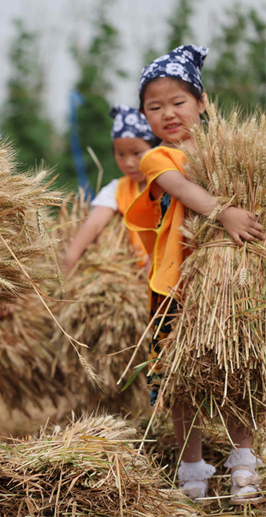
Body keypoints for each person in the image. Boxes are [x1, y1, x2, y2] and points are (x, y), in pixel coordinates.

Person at [125, 45, 265, 505]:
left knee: (242, 369)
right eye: (154, 106)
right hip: (175, 286)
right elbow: (182, 189)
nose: (167, 113)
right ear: (144, 115)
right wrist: (225, 213)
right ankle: (192, 470)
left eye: (178, 102)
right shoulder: (157, 158)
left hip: (234, 284)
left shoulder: (236, 154)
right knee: (179, 379)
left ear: (203, 102)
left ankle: (244, 462)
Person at [62, 105, 159, 276]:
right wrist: (70, 258)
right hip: (133, 277)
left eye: (136, 153)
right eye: (120, 154)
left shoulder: (170, 185)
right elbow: (94, 223)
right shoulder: (117, 189)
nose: (128, 163)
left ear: (154, 148)